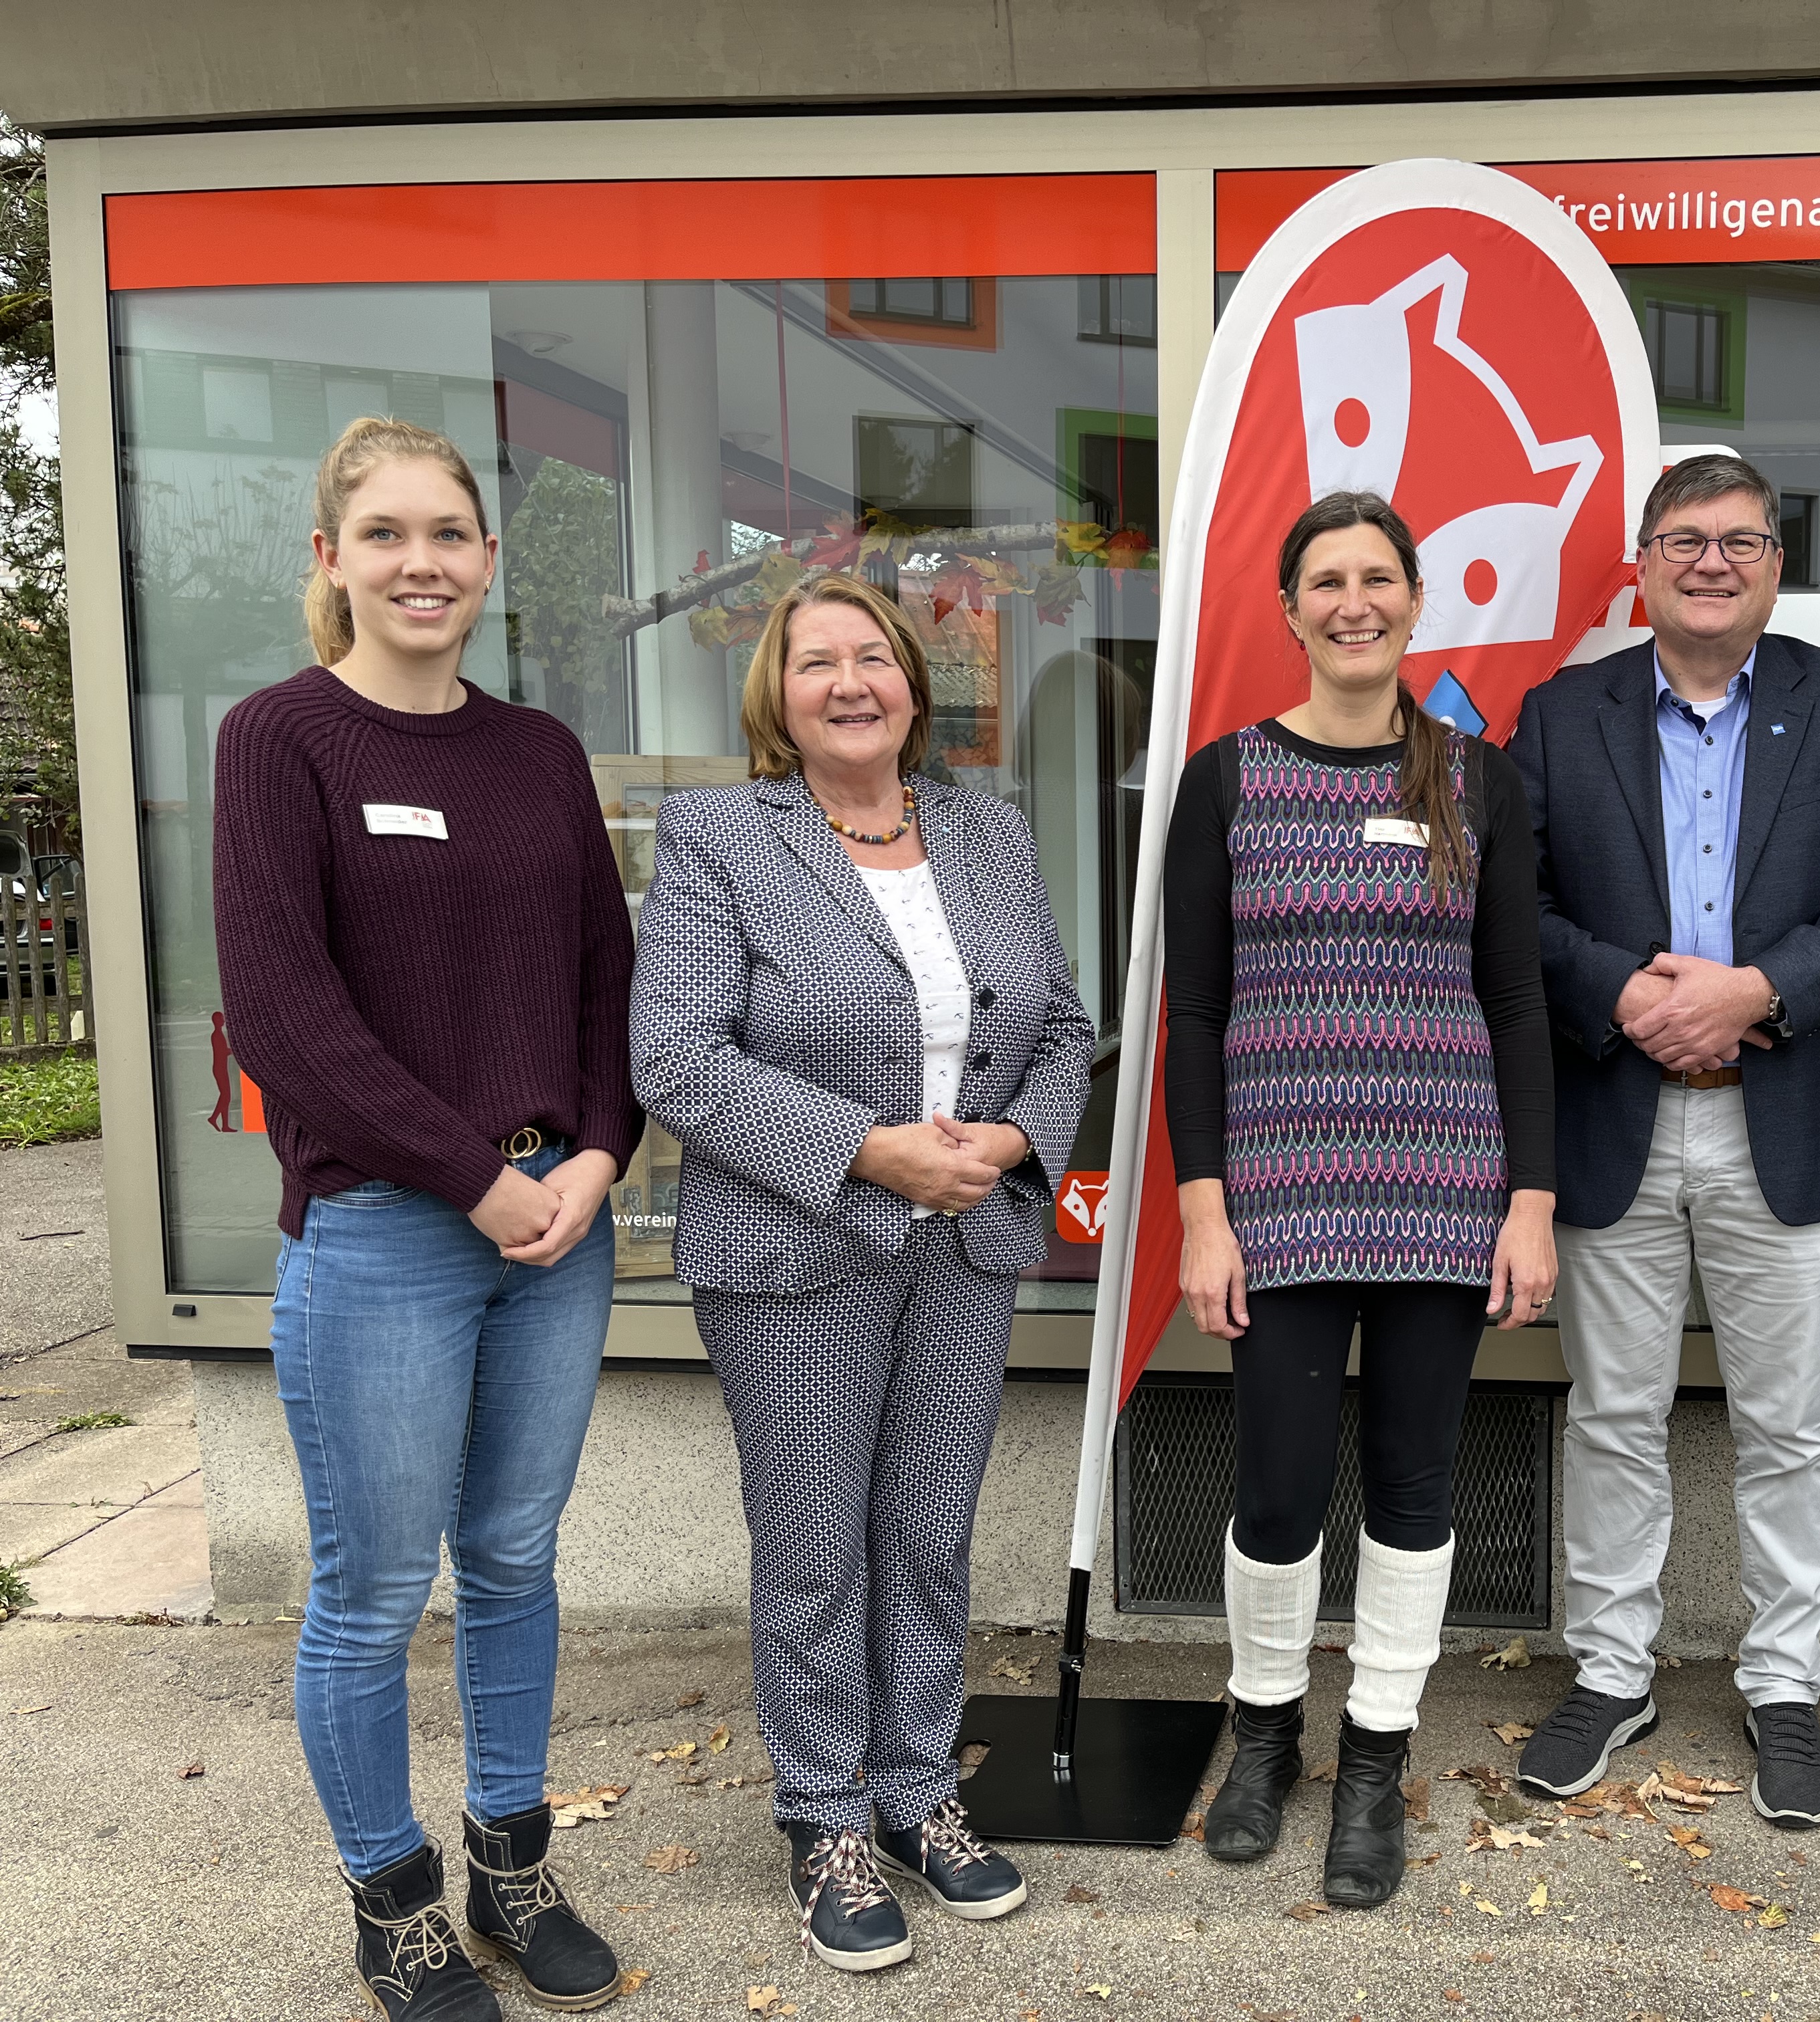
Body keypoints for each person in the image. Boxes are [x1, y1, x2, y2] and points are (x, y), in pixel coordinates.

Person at [213, 416, 642, 2021]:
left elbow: (610, 974)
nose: (422, 562)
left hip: (562, 1227)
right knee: (376, 1590)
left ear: (485, 563)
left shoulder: (538, 754)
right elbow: (285, 1016)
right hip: (392, 1227)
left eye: (448, 534)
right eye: (385, 534)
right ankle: (392, 1906)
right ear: (332, 561)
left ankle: (512, 1871)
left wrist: (598, 1154)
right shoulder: (282, 740)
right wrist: (479, 1176)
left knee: (518, 1561)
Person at [630, 571, 1092, 1973]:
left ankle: (916, 1790)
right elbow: (678, 1057)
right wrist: (874, 1153)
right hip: (798, 1245)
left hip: (968, 1242)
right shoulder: (719, 834)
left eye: (873, 658)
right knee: (817, 1542)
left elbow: (1067, 1026)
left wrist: (1009, 1137)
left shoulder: (985, 829)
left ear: (911, 682)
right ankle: (824, 1811)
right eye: (817, 660)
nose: (849, 681)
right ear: (777, 692)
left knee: (931, 1529)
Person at [1508, 453, 1820, 1824]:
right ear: (1639, 562)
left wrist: (1758, 991)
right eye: (1684, 539)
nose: (1711, 561)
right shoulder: (1562, 714)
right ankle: (1613, 1669)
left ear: (1774, 563)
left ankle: (1784, 1683)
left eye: (1740, 540)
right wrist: (1628, 992)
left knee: (1790, 1423)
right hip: (1617, 1113)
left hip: (1784, 1119)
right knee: (1615, 1416)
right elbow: (1511, 902)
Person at [1168, 491, 1557, 1910]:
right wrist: (1203, 1210)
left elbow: (1517, 1002)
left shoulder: (1475, 779)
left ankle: (1377, 1754)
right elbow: (1195, 1008)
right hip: (1274, 1193)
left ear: (1413, 602)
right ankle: (1264, 1736)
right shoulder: (1225, 780)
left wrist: (1531, 1199)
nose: (1353, 602)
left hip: (1444, 1190)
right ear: (1288, 609)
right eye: (1325, 580)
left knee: (1412, 1484)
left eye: (1377, 578)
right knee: (1274, 1488)